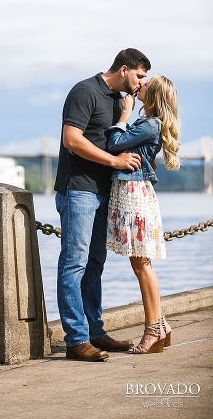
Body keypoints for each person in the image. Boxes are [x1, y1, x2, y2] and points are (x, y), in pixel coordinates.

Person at [54, 48, 151, 362]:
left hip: (104, 192)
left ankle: (95, 332)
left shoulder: (120, 101)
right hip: (79, 190)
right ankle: (76, 340)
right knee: (75, 264)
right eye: (139, 76)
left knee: (95, 264)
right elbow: (72, 138)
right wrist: (115, 160)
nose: (140, 83)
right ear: (124, 69)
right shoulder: (84, 91)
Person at [105, 75, 180, 354]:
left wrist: (124, 114)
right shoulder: (150, 124)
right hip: (134, 193)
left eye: (146, 83)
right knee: (141, 264)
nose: (141, 84)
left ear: (155, 95)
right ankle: (160, 325)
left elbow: (114, 144)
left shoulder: (150, 125)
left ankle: (153, 330)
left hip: (135, 194)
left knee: (141, 265)